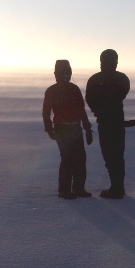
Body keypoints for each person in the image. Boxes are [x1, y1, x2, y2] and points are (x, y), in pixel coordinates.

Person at [85, 49, 135, 199]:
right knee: (115, 156)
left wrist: (99, 109)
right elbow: (91, 98)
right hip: (113, 120)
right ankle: (118, 186)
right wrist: (100, 109)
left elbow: (91, 98)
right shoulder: (118, 78)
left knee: (112, 155)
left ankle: (117, 188)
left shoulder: (101, 79)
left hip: (109, 121)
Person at [43, 59, 94, 200]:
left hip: (75, 128)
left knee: (80, 158)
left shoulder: (74, 89)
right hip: (61, 128)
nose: (65, 76)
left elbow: (81, 110)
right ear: (56, 74)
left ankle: (78, 188)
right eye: (62, 73)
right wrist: (49, 129)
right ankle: (64, 190)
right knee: (67, 159)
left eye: (67, 72)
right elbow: (46, 112)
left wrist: (87, 128)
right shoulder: (51, 91)